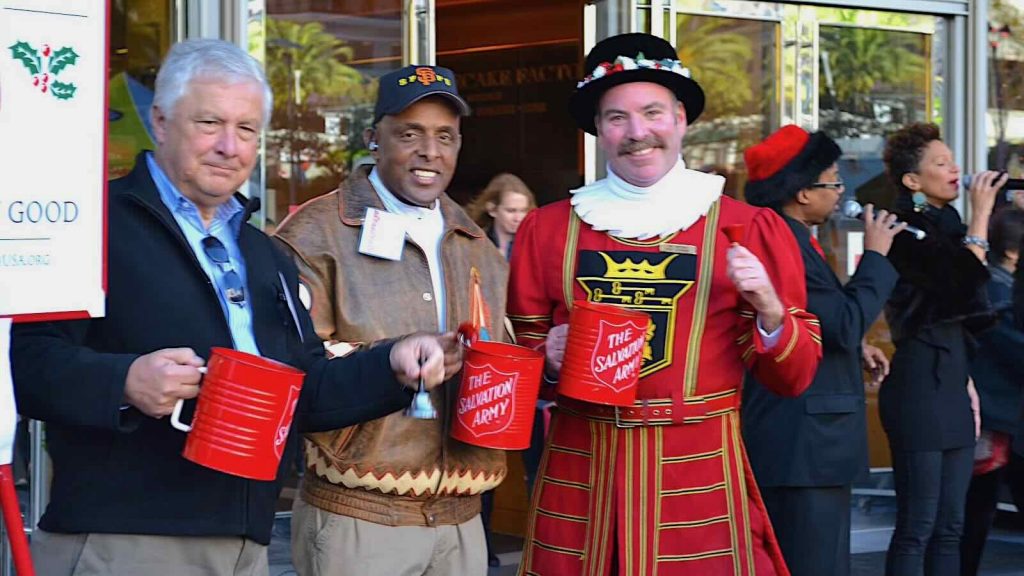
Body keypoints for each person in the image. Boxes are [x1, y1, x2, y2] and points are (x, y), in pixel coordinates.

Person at [9, 39, 455, 576]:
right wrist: (123, 380)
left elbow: (305, 391)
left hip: (246, 545)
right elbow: (25, 364)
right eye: (209, 123)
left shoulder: (263, 253)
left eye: (246, 130)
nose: (229, 146)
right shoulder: (90, 228)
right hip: (122, 540)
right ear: (161, 121)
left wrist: (393, 364)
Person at [508, 33, 822, 575]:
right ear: (598, 130)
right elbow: (517, 357)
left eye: (652, 112)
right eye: (617, 118)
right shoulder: (547, 229)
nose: (637, 133)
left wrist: (770, 308)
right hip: (581, 471)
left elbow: (793, 378)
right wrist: (547, 356)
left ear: (680, 118)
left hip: (696, 475)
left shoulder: (748, 227)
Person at [274, 64, 510, 576]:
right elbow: (293, 366)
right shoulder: (315, 232)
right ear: (372, 139)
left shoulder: (479, 246)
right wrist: (391, 362)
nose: (430, 151)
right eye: (410, 134)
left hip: (462, 516)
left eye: (445, 136)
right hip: (361, 515)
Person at [741, 125, 901, 576]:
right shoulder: (783, 242)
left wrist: (855, 350)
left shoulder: (793, 238)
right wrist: (876, 255)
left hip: (806, 442)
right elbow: (844, 323)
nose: (840, 191)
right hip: (803, 445)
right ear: (801, 193)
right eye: (832, 180)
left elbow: (813, 325)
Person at [879, 122, 1002, 576]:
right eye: (941, 163)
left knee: (953, 524)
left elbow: (971, 311)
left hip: (951, 380)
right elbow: (957, 287)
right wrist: (983, 215)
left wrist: (967, 378)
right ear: (913, 180)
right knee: (919, 524)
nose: (955, 170)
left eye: (953, 161)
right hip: (918, 383)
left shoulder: (950, 226)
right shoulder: (903, 229)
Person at [961, 208, 1024, 576]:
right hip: (997, 421)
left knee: (977, 513)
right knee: (976, 515)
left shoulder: (994, 286)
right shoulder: (998, 292)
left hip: (998, 420)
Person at [466, 172, 536, 259]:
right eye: (511, 211)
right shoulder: (473, 243)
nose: (518, 218)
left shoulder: (535, 245)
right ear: (492, 210)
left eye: (523, 211)